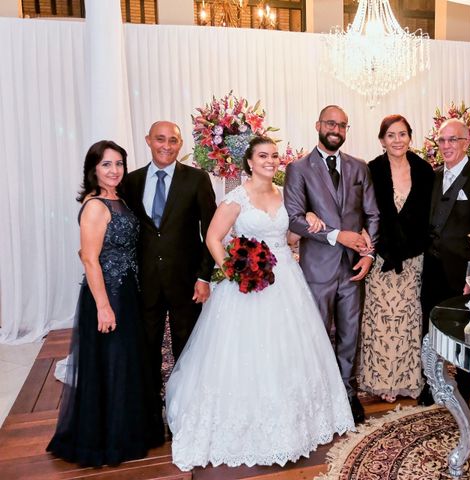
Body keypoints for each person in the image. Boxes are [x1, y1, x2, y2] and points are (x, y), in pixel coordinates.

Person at [165, 136, 355, 470]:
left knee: (291, 350)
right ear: (249, 162)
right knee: (244, 353)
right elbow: (212, 237)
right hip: (246, 284)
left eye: (274, 156)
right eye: (263, 156)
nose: (270, 161)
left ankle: (296, 422)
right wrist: (233, 270)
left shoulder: (286, 194)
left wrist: (308, 219)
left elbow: (290, 237)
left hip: (285, 279)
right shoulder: (236, 198)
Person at [47, 141, 164, 466]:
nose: (114, 170)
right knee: (110, 363)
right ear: (93, 170)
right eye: (106, 165)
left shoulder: (119, 199)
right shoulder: (96, 205)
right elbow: (90, 259)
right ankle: (107, 438)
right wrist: (102, 306)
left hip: (127, 292)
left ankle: (126, 430)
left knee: (125, 362)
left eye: (119, 164)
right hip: (107, 294)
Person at [284, 105, 380, 423]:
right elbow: (296, 219)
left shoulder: (359, 167)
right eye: (330, 123)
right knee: (317, 334)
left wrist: (367, 255)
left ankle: (347, 395)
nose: (335, 129)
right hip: (317, 268)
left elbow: (372, 214)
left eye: (341, 124)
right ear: (318, 125)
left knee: (350, 334)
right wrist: (338, 236)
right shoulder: (299, 168)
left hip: (353, 269)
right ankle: (318, 398)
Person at [122, 121, 216, 435]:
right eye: (160, 139)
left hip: (187, 282)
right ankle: (150, 416)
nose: (167, 145)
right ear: (148, 140)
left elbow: (211, 232)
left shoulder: (197, 179)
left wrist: (204, 276)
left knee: (187, 348)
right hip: (144, 283)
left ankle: (185, 413)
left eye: (173, 140)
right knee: (146, 350)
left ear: (180, 144)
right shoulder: (130, 182)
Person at [419, 118, 470, 407]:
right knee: (428, 328)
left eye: (453, 140)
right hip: (431, 267)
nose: (446, 146)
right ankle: (430, 384)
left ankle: (465, 387)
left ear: (466, 142)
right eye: (442, 140)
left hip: (463, 274)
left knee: (464, 331)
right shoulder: (432, 177)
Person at [358, 115, 434, 403]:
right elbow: (363, 210)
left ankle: (408, 380)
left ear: (410, 138)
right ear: (382, 140)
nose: (397, 140)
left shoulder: (425, 171)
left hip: (414, 257)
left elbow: (429, 216)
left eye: (402, 134)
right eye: (391, 135)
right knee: (380, 319)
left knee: (409, 320)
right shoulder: (372, 170)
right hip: (381, 257)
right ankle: (380, 380)